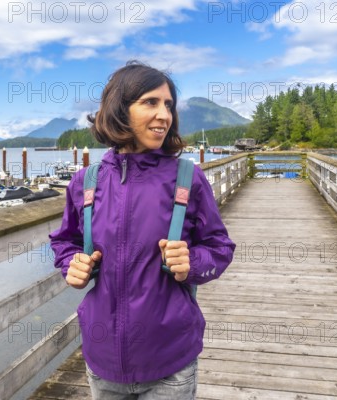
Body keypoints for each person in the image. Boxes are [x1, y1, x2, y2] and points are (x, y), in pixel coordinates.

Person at [49, 61, 235, 399]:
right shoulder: (85, 182)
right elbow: (66, 240)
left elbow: (219, 247)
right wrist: (71, 263)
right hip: (101, 358)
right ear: (120, 109)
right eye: (150, 102)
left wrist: (192, 262)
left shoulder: (187, 178)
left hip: (170, 360)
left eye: (168, 105)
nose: (164, 114)